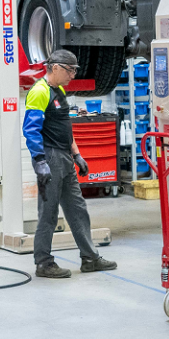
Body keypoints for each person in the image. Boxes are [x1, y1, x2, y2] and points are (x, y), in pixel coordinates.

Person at [23, 49, 117, 280]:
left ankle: (90, 258)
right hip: (50, 158)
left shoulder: (60, 91)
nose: (73, 75)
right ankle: (43, 263)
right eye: (70, 70)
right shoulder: (39, 91)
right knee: (49, 214)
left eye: (75, 70)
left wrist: (77, 155)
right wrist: (39, 161)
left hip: (65, 157)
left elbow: (66, 127)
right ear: (55, 67)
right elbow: (31, 130)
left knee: (77, 209)